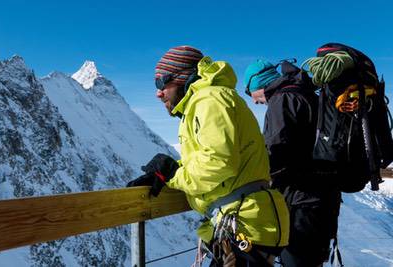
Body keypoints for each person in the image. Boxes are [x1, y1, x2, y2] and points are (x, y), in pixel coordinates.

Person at [127, 46, 289, 266]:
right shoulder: (206, 100)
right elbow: (213, 157)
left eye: (161, 82)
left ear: (182, 77)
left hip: (244, 224)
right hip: (245, 221)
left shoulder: (209, 99)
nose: (158, 92)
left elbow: (220, 162)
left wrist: (174, 175)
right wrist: (168, 172)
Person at [244, 59, 341, 267]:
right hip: (322, 197)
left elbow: (277, 152)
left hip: (301, 202)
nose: (254, 101)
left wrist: (256, 176)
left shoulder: (282, 100)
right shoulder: (306, 94)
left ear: (258, 83)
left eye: (250, 92)